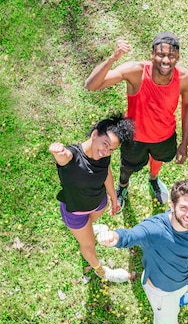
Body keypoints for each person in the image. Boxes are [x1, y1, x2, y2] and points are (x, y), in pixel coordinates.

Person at [97, 180, 188, 324]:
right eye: (183, 208)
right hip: (161, 291)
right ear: (171, 206)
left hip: (183, 279)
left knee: (179, 294)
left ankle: (178, 299)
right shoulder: (155, 229)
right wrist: (114, 237)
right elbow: (131, 235)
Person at [84, 32, 188, 210]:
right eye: (160, 55)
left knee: (158, 159)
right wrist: (113, 58)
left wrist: (185, 140)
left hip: (164, 135)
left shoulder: (185, 79)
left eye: (171, 56)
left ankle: (153, 179)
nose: (165, 60)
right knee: (127, 167)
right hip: (134, 137)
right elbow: (91, 85)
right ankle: (122, 187)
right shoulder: (135, 72)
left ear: (178, 57)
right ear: (152, 54)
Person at [49, 115, 134, 283]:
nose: (106, 152)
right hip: (76, 214)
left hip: (97, 205)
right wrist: (57, 151)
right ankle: (101, 271)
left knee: (89, 228)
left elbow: (106, 171)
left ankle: (88, 229)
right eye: (105, 145)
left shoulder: (103, 156)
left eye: (111, 150)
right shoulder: (73, 157)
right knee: (88, 246)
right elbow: (64, 156)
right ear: (95, 134)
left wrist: (113, 197)